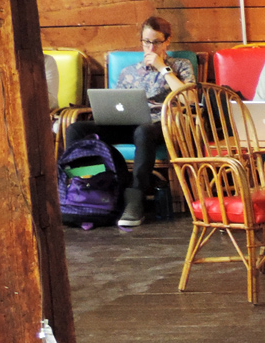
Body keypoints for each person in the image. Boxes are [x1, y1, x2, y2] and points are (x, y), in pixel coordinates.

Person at [64, 16, 193, 227]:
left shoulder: (180, 65)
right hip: (126, 123)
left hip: (160, 125)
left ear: (167, 41)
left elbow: (190, 99)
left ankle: (135, 198)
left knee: (143, 131)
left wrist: (163, 68)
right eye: (146, 42)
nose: (150, 47)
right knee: (76, 129)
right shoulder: (129, 72)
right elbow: (118, 103)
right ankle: (88, 185)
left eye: (156, 42)